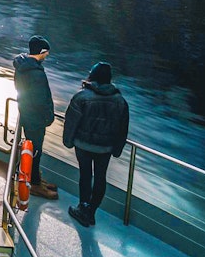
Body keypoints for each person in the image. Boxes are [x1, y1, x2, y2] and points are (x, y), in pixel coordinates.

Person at [62, 62, 130, 228]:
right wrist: (117, 149)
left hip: (83, 145)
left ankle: (83, 208)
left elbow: (71, 122)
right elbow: (123, 128)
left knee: (85, 175)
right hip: (105, 148)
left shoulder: (81, 97)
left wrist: (68, 141)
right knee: (101, 177)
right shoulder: (120, 101)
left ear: (92, 75)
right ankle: (91, 212)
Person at [12, 35, 59, 199]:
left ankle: (35, 178)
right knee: (36, 151)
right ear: (41, 52)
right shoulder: (36, 74)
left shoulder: (22, 67)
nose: (47, 56)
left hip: (27, 113)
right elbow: (41, 100)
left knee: (32, 148)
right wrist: (49, 117)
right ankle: (36, 185)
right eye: (46, 53)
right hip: (36, 118)